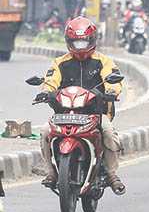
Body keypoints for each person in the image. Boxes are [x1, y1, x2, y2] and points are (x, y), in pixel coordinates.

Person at [37, 17, 125, 195]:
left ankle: (111, 173)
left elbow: (114, 80)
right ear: (69, 42)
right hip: (65, 113)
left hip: (95, 113)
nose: (80, 47)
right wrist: (46, 92)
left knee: (108, 133)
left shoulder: (104, 62)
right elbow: (50, 81)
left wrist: (112, 91)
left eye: (84, 42)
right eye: (76, 43)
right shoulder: (60, 63)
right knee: (45, 131)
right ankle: (51, 172)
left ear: (92, 40)